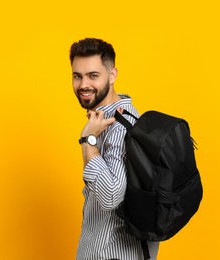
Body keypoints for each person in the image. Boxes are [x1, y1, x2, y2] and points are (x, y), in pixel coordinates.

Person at [70, 38, 160, 260]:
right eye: (77, 76)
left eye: (93, 75)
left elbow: (111, 196)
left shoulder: (120, 128)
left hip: (111, 254)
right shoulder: (108, 118)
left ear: (112, 75)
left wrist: (88, 139)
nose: (83, 85)